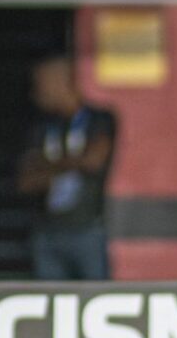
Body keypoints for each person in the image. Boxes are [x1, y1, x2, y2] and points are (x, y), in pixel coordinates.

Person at [17, 56, 117, 280]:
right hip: (47, 231)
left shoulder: (99, 119)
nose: (36, 93)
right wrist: (74, 162)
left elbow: (94, 160)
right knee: (48, 296)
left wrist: (47, 165)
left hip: (87, 228)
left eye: (42, 84)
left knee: (94, 293)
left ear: (63, 82)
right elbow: (26, 181)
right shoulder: (41, 127)